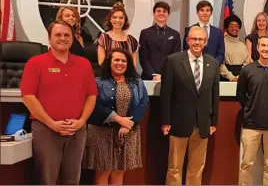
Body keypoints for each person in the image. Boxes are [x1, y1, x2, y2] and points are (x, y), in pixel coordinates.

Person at [20, 20, 98, 184]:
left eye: (66, 35)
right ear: (49, 38)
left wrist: (81, 121)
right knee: (47, 179)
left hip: (77, 130)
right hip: (46, 129)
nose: (63, 38)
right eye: (58, 35)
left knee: (72, 180)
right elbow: (28, 96)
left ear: (72, 38)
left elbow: (91, 95)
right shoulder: (35, 63)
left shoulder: (83, 64)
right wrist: (52, 123)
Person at [161, 26, 220, 185]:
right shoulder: (173, 61)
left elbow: (214, 95)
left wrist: (213, 121)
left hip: (202, 124)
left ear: (205, 42)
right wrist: (165, 121)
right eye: (194, 38)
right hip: (178, 122)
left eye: (200, 39)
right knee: (175, 167)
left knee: (197, 167)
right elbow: (165, 94)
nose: (197, 42)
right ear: (187, 40)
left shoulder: (213, 63)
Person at [82, 48, 148, 185]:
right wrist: (117, 119)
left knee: (119, 170)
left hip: (128, 131)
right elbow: (94, 105)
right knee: (103, 171)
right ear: (109, 62)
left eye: (124, 60)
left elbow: (143, 103)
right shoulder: (98, 82)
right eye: (116, 60)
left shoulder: (136, 82)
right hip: (102, 132)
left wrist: (129, 123)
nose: (120, 63)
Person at [236, 36, 268, 185]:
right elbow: (240, 95)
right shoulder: (247, 70)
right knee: (247, 163)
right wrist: (251, 108)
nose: (266, 49)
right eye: (263, 45)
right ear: (257, 48)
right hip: (251, 124)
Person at [139, 1, 182, 80]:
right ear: (153, 14)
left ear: (168, 14)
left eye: (164, 11)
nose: (161, 13)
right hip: (148, 77)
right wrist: (153, 75)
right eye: (158, 11)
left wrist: (165, 76)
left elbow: (176, 58)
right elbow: (143, 57)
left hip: (169, 77)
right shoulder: (145, 33)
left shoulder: (175, 34)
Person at [96, 2, 139, 67]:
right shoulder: (103, 38)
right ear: (110, 19)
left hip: (127, 76)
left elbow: (134, 65)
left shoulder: (132, 40)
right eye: (115, 17)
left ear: (125, 20)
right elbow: (101, 62)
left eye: (121, 18)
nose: (118, 20)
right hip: (108, 76)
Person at [183, 0, 225, 65]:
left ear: (211, 13)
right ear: (197, 12)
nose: (205, 13)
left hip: (213, 68)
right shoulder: (189, 30)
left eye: (207, 10)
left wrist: (214, 65)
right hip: (194, 67)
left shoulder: (218, 32)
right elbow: (186, 50)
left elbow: (221, 53)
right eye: (202, 10)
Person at [221, 14, 250, 82]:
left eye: (237, 26)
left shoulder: (242, 45)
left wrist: (239, 77)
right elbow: (220, 64)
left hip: (241, 79)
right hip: (225, 79)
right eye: (231, 26)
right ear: (226, 28)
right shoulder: (222, 43)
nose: (234, 28)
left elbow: (246, 63)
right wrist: (231, 77)